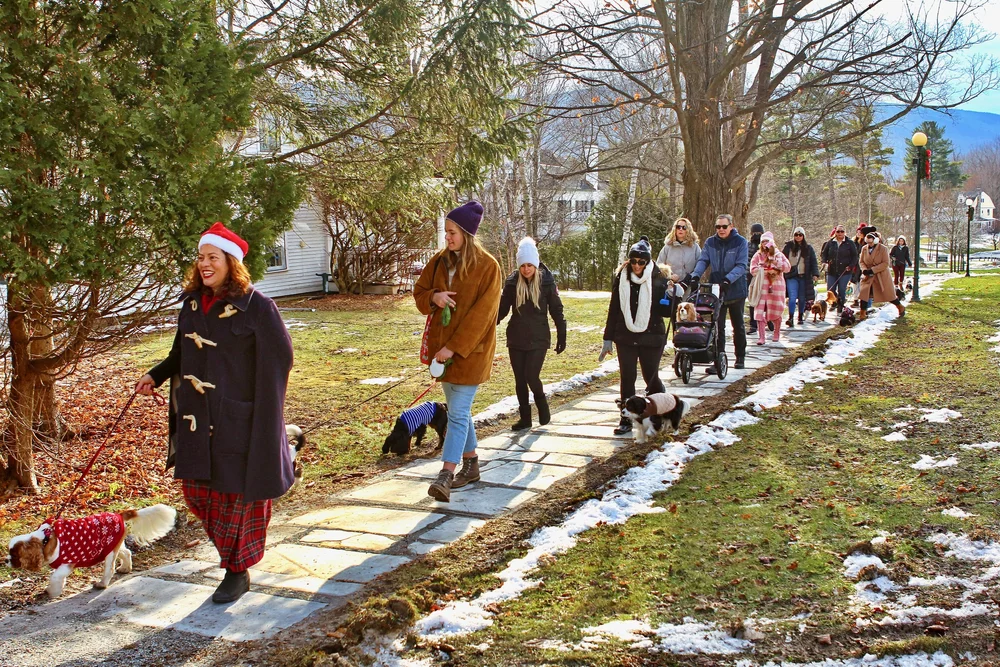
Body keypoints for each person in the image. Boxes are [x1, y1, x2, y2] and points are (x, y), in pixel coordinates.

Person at [135, 222, 294, 604]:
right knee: (197, 493)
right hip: (195, 419)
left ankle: (235, 571)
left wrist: (265, 417)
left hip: (238, 418)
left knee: (236, 499)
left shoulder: (257, 307)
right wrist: (154, 376)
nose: (205, 264)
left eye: (213, 258)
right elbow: (180, 353)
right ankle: (231, 560)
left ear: (231, 262)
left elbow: (280, 360)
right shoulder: (191, 305)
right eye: (201, 257)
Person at [413, 201, 502, 503]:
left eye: (452, 232)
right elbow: (419, 292)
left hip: (470, 353)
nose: (447, 238)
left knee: (458, 413)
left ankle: (446, 475)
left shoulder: (488, 267)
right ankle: (472, 464)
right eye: (446, 232)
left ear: (466, 233)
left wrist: (453, 348)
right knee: (458, 412)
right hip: (443, 351)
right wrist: (434, 297)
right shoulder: (439, 261)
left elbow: (483, 317)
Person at [600, 236, 670, 435]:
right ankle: (626, 418)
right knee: (627, 377)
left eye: (642, 262)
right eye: (634, 261)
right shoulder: (621, 277)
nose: (637, 265)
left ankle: (661, 411)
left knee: (651, 377)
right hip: (626, 335)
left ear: (648, 262)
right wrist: (608, 338)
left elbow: (665, 312)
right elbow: (614, 309)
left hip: (652, 334)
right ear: (628, 261)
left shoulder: (659, 277)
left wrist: (674, 297)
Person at [497, 237, 567, 431]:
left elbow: (557, 310)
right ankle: (525, 418)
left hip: (539, 338)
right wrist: (487, 325)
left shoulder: (546, 282)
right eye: (523, 265)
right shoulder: (512, 283)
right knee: (520, 379)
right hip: (516, 337)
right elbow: (501, 311)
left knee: (531, 375)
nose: (526, 269)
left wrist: (562, 336)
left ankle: (542, 404)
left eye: (530, 265)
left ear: (535, 265)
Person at [687, 214, 749, 370]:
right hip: (717, 289)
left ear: (731, 226)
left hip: (735, 288)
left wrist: (728, 279)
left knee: (738, 324)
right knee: (717, 326)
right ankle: (718, 359)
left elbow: (742, 265)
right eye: (718, 227)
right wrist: (695, 276)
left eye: (724, 226)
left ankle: (740, 356)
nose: (721, 230)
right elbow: (703, 261)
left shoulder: (740, 242)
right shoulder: (710, 242)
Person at [750, 231, 791, 344]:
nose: (765, 244)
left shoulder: (779, 254)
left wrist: (775, 262)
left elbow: (787, 268)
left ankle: (776, 332)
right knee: (759, 311)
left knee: (776, 310)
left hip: (776, 287)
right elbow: (752, 269)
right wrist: (762, 270)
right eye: (763, 241)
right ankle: (761, 337)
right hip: (761, 287)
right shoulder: (758, 255)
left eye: (767, 241)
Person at [858, 230, 905, 321]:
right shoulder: (864, 248)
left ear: (875, 240)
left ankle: (900, 306)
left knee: (888, 295)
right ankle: (862, 313)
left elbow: (885, 263)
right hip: (868, 275)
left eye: (871, 242)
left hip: (881, 275)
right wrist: (864, 270)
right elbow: (861, 261)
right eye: (867, 242)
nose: (869, 244)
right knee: (864, 293)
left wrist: (873, 270)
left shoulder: (883, 249)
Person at [781, 226, 820, 327]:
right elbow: (781, 259)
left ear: (803, 236)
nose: (798, 237)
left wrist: (815, 274)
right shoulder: (788, 247)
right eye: (796, 235)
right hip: (791, 276)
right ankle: (790, 317)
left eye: (800, 235)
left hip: (804, 276)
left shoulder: (808, 248)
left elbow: (813, 262)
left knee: (802, 298)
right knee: (792, 297)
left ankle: (800, 315)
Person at [820, 224, 858, 314]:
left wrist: (851, 266)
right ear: (835, 232)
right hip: (831, 270)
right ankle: (836, 302)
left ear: (845, 232)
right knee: (830, 289)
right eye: (838, 231)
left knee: (842, 289)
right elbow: (824, 254)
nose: (840, 233)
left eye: (842, 231)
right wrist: (824, 262)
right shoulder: (830, 243)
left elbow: (855, 256)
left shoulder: (849, 243)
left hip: (845, 271)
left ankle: (840, 307)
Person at [656, 217, 701, 283]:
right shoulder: (668, 247)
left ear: (688, 230)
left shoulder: (695, 247)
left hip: (689, 285)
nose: (681, 229)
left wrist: (692, 277)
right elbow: (659, 265)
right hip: (670, 285)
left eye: (684, 227)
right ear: (675, 229)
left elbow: (700, 265)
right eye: (678, 227)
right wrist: (670, 276)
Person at [746, 223, 765, 335]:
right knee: (753, 300)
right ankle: (753, 324)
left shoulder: (767, 246)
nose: (756, 235)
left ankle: (767, 319)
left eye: (759, 233)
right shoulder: (747, 245)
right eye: (754, 233)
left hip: (764, 276)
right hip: (751, 276)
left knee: (765, 299)